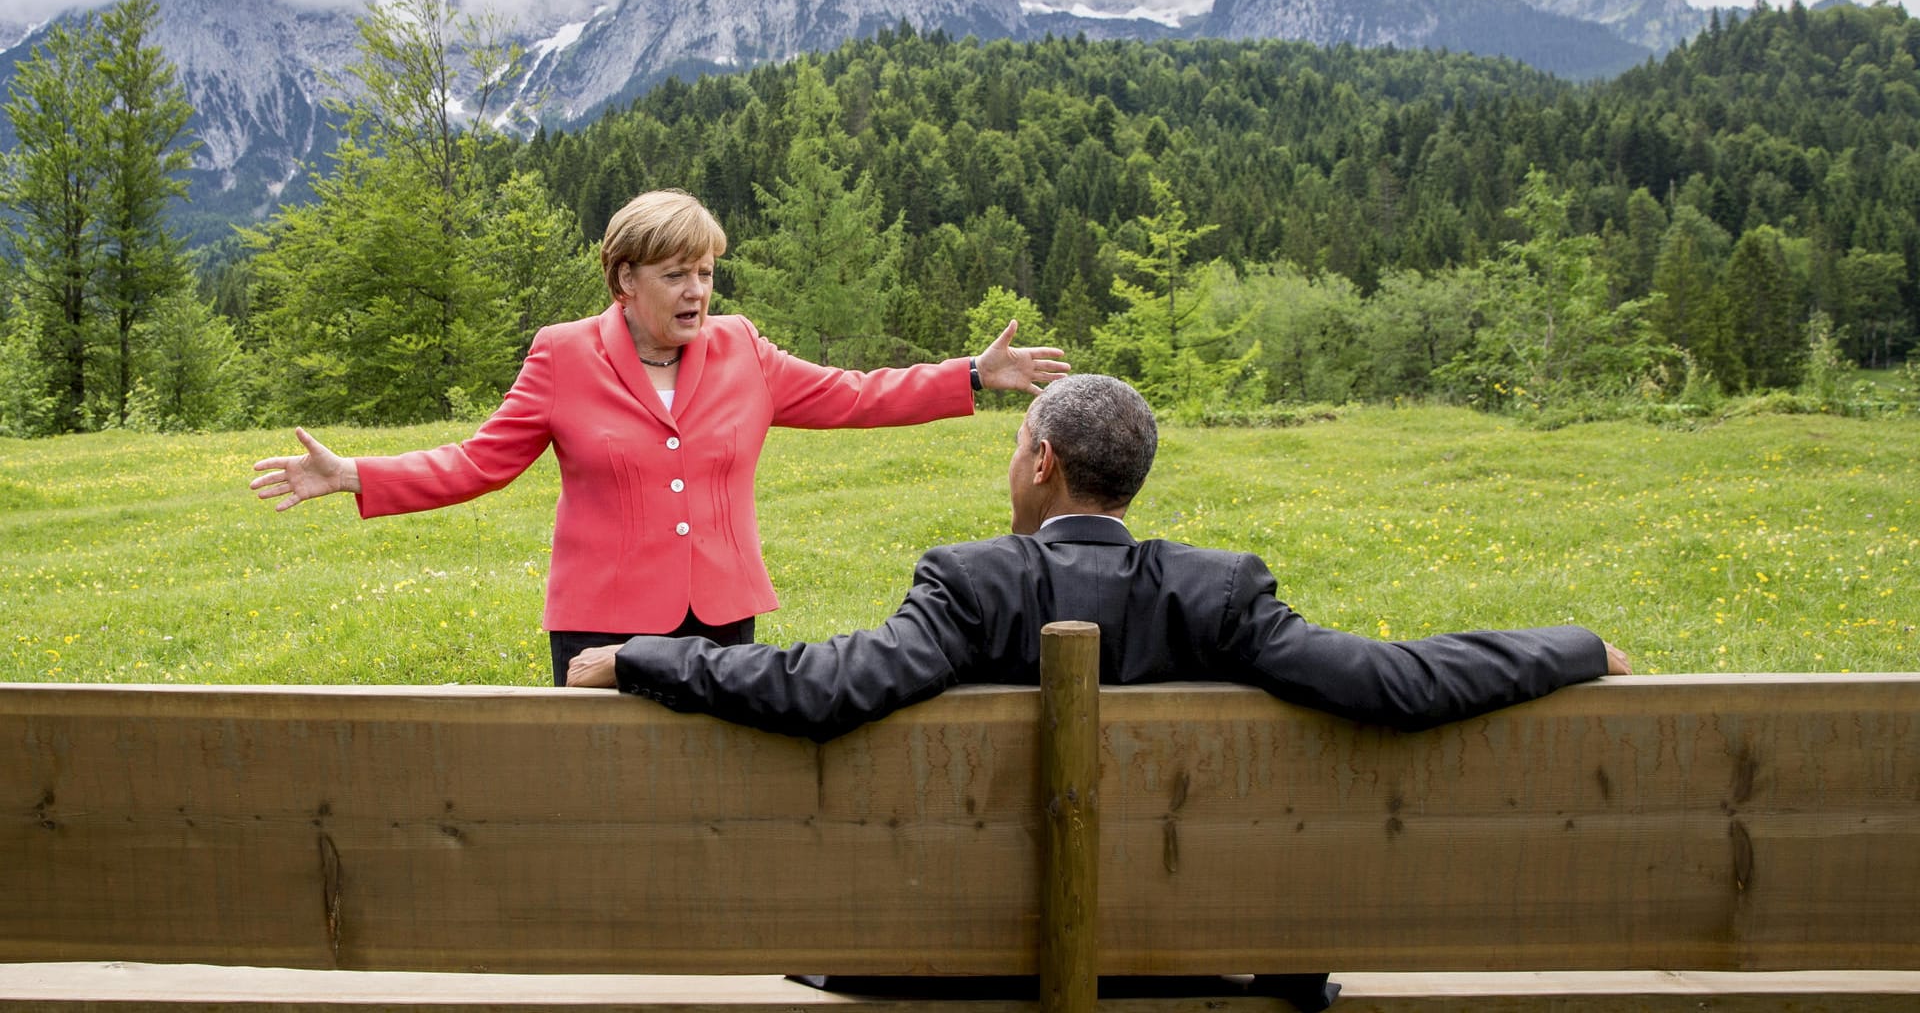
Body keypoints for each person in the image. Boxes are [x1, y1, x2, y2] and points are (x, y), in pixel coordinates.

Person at [567, 373, 1627, 1011]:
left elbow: (828, 688)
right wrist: (1575, 646)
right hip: (1190, 959)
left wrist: (645, 656)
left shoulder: (971, 583)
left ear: (1039, 461)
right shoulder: (1217, 592)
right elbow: (1395, 682)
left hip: (966, 964)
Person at [249, 189, 1069, 685]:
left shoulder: (743, 347)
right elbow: (479, 461)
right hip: (601, 619)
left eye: (706, 273)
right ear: (625, 279)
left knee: (715, 788)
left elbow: (851, 395)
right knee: (603, 798)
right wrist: (356, 473)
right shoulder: (562, 355)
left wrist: (967, 374)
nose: (697, 291)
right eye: (676, 274)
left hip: (720, 614)